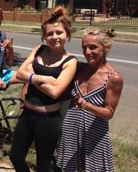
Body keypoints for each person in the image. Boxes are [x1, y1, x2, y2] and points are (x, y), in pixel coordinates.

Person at [9, 6, 78, 172]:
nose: (54, 37)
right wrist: (43, 78)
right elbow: (20, 73)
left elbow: (55, 93)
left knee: (43, 166)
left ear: (67, 33)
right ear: (44, 36)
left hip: (48, 120)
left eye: (59, 33)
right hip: (27, 115)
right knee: (15, 157)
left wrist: (30, 76)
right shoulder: (39, 50)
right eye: (49, 34)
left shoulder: (70, 61)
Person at [57, 27, 123, 172]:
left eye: (92, 47)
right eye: (84, 47)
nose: (87, 52)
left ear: (106, 48)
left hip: (95, 136)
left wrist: (88, 106)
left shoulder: (113, 78)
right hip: (71, 131)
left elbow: (109, 113)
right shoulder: (78, 69)